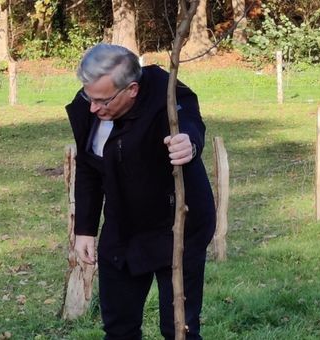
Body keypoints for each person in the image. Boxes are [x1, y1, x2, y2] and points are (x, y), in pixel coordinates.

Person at [65, 44, 216, 339]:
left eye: (102, 100)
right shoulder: (91, 105)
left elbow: (189, 123)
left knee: (178, 329)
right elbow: (87, 166)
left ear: (131, 90)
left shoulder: (167, 94)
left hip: (176, 226)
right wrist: (85, 229)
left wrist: (189, 143)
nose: (93, 108)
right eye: (88, 96)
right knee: (119, 327)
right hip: (123, 226)